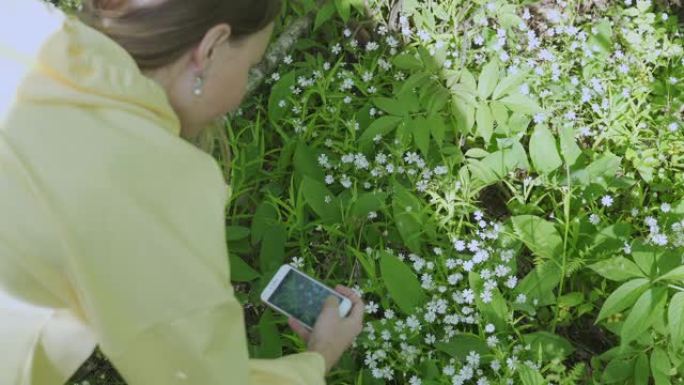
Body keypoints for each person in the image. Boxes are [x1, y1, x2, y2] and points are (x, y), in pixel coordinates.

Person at [0, 0, 365, 384]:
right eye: (250, 66)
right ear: (210, 48)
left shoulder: (20, 24)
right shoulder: (149, 185)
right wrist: (319, 357)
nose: (243, 87)